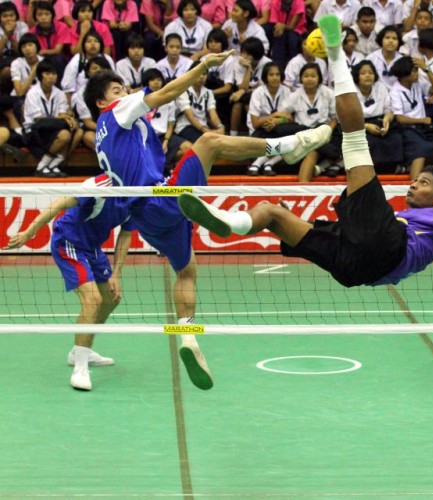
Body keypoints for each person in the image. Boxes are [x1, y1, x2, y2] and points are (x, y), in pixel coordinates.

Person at [177, 15, 433, 292]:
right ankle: (230, 224)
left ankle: (337, 56)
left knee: (354, 136)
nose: (413, 185)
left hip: (387, 248)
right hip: (354, 269)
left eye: (422, 183)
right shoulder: (409, 215)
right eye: (416, 180)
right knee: (274, 215)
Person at [83, 49, 332, 390]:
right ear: (101, 102)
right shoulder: (116, 112)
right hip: (160, 198)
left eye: (123, 88)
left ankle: (187, 332)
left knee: (186, 270)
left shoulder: (103, 136)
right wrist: (202, 66)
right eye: (116, 90)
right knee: (209, 141)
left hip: (144, 218)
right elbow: (167, 93)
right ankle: (288, 145)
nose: (124, 92)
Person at [4, 175, 134, 392]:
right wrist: (29, 233)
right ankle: (80, 369)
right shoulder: (99, 186)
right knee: (92, 300)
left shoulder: (136, 196)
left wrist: (116, 274)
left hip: (92, 248)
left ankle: (80, 349)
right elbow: (59, 204)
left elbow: (126, 235)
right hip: (69, 242)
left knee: (110, 299)